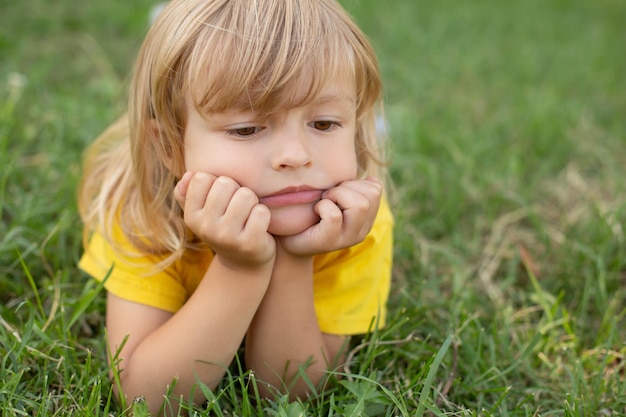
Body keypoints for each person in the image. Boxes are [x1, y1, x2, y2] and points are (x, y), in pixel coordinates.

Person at [78, 0, 393, 414]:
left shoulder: (356, 219)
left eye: (324, 123)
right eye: (247, 129)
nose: (295, 155)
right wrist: (238, 268)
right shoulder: (140, 211)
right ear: (170, 148)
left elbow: (289, 394)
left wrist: (294, 258)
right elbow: (147, 401)